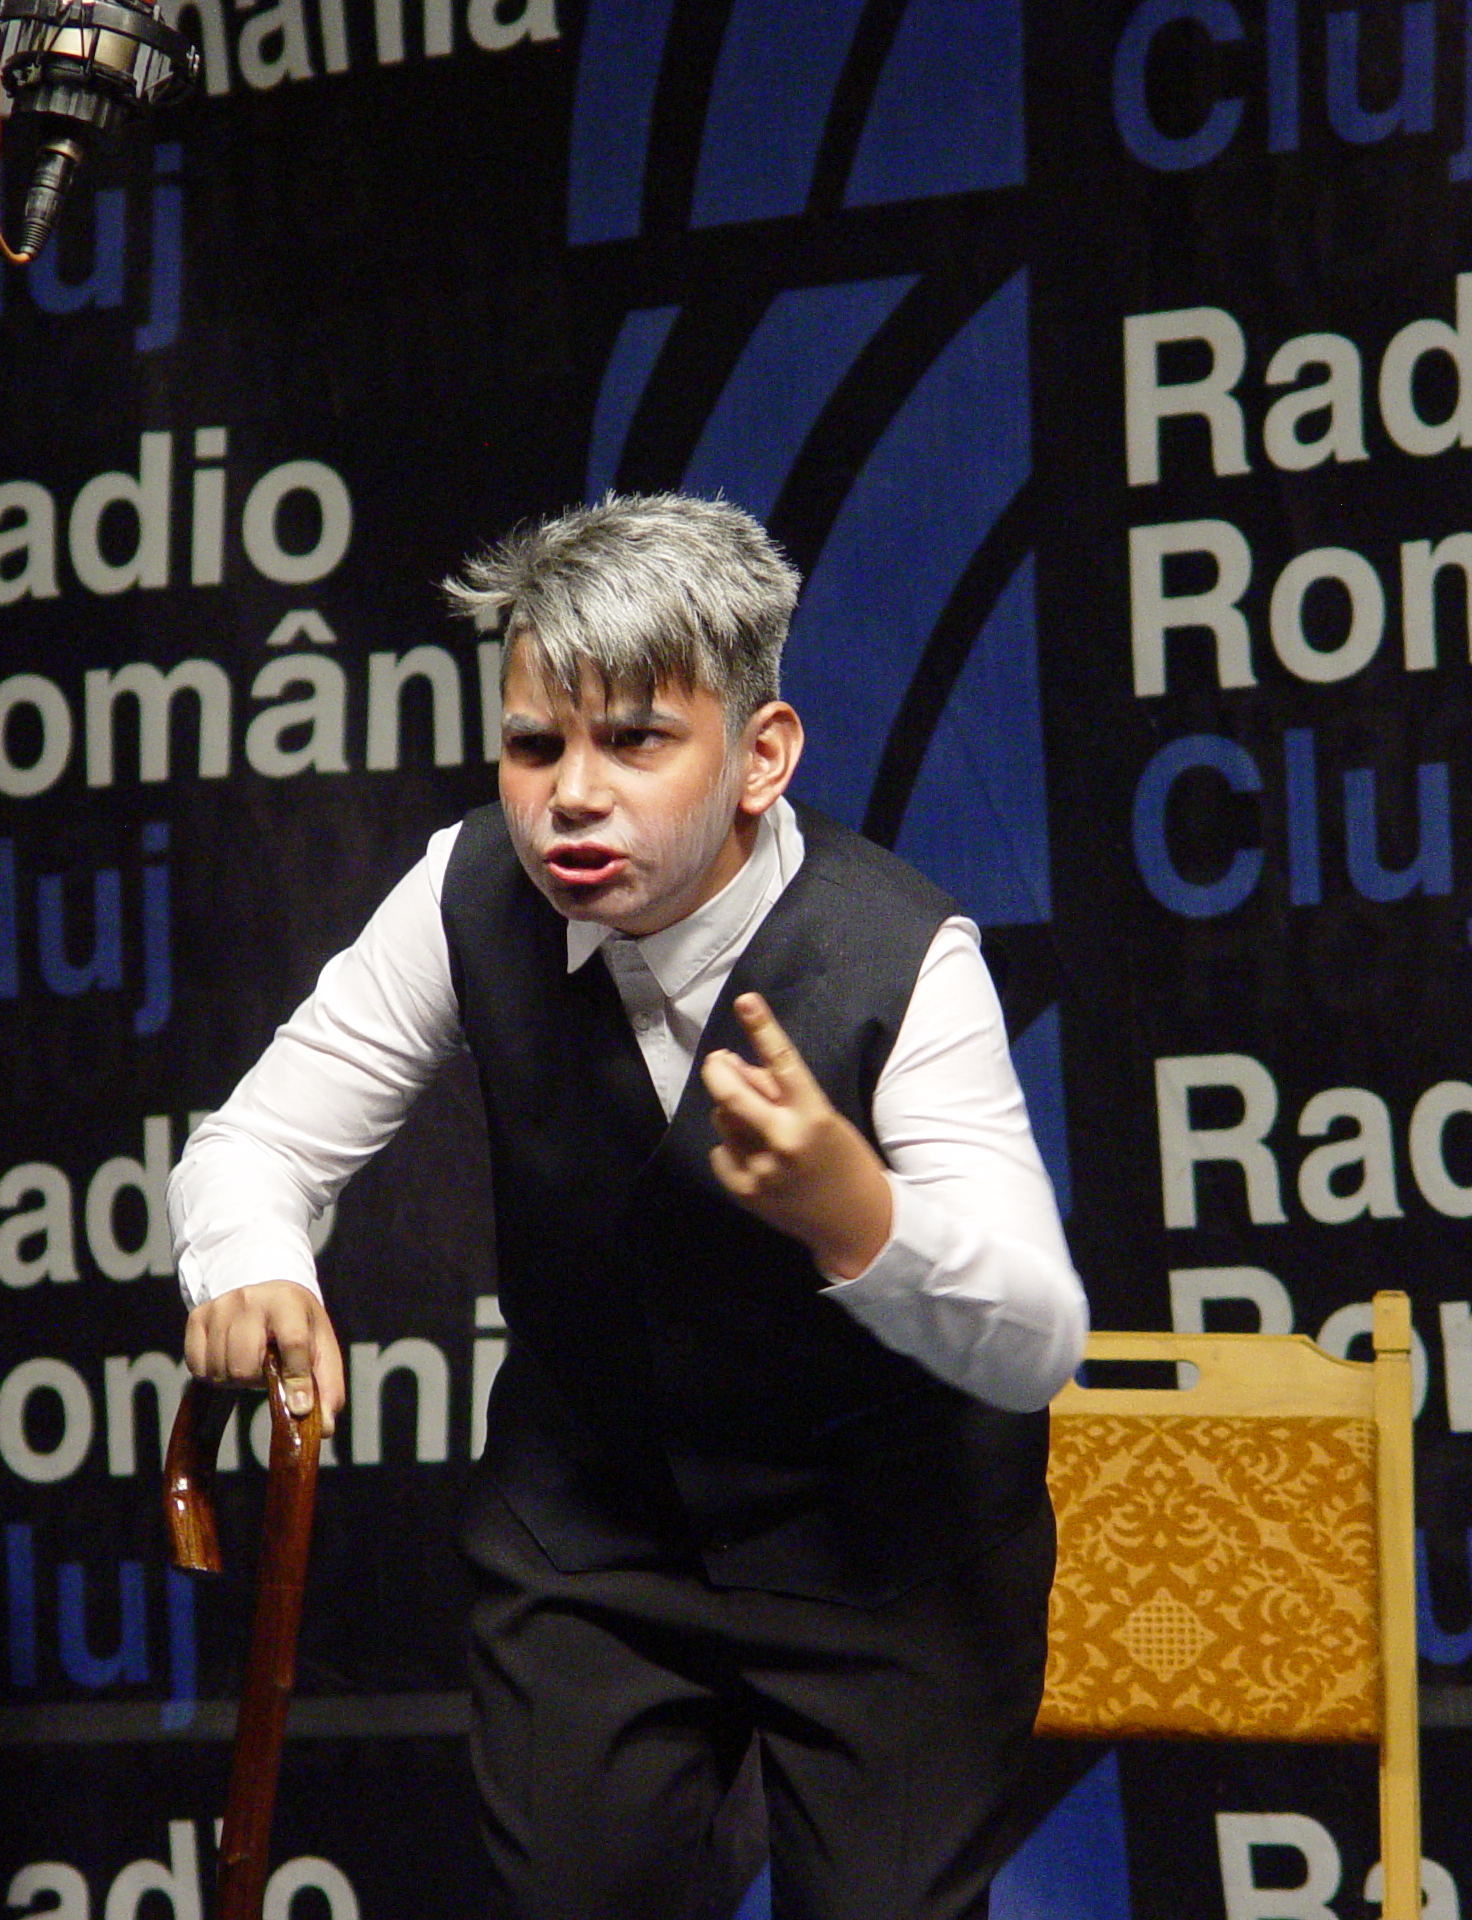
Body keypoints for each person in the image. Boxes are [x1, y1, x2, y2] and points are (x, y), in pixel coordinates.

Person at [169, 493, 1090, 1920]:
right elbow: (253, 1143)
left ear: (760, 757)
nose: (571, 793)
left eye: (637, 740)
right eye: (536, 743)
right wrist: (250, 1260)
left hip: (885, 1561)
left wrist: (861, 1216)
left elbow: (1036, 1339)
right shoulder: (468, 888)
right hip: (594, 1538)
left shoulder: (907, 958)